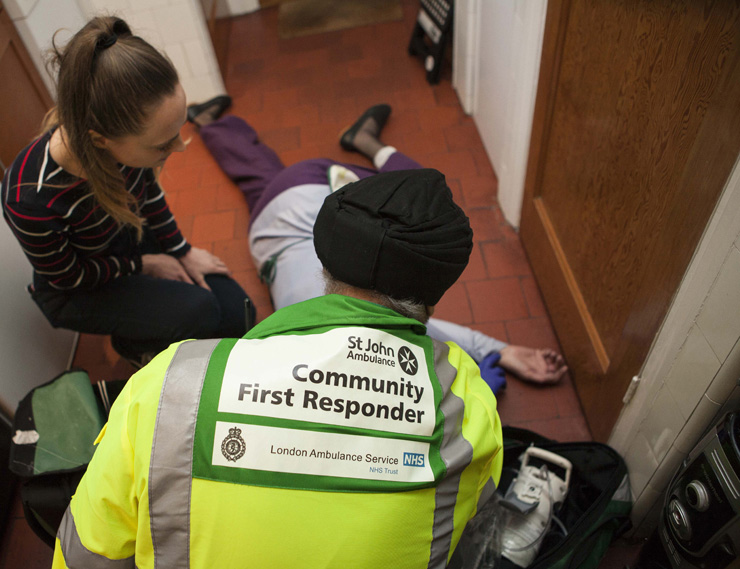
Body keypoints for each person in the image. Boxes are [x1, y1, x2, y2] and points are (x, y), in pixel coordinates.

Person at [51, 168, 504, 569]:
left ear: (324, 264)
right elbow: (462, 535)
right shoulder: (468, 407)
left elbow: (85, 565)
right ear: (434, 292)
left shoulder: (170, 384)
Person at [187, 98, 567, 390]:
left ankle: (363, 141)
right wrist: (498, 354)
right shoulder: (373, 338)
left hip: (297, 205)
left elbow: (429, 333)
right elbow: (428, 333)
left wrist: (497, 352)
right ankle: (363, 140)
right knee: (422, 197)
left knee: (415, 189)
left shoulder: (320, 335)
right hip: (272, 232)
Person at [0, 17, 253, 365]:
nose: (180, 147)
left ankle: (150, 327)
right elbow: (70, 277)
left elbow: (149, 196)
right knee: (202, 312)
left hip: (120, 240)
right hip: (80, 286)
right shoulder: (31, 200)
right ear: (101, 141)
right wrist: (146, 263)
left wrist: (181, 251)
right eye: (163, 144)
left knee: (240, 314)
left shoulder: (119, 147)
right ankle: (132, 344)